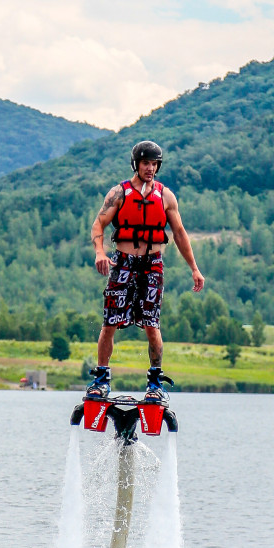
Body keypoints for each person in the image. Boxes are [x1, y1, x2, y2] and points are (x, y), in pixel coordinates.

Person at [88, 140, 205, 404]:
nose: (150, 168)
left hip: (152, 264)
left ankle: (154, 382)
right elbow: (99, 223)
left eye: (154, 164)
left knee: (152, 324)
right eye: (145, 163)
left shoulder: (166, 196)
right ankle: (101, 379)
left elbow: (179, 233)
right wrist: (100, 252)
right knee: (110, 322)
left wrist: (194, 269)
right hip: (123, 262)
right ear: (136, 165)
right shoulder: (119, 193)